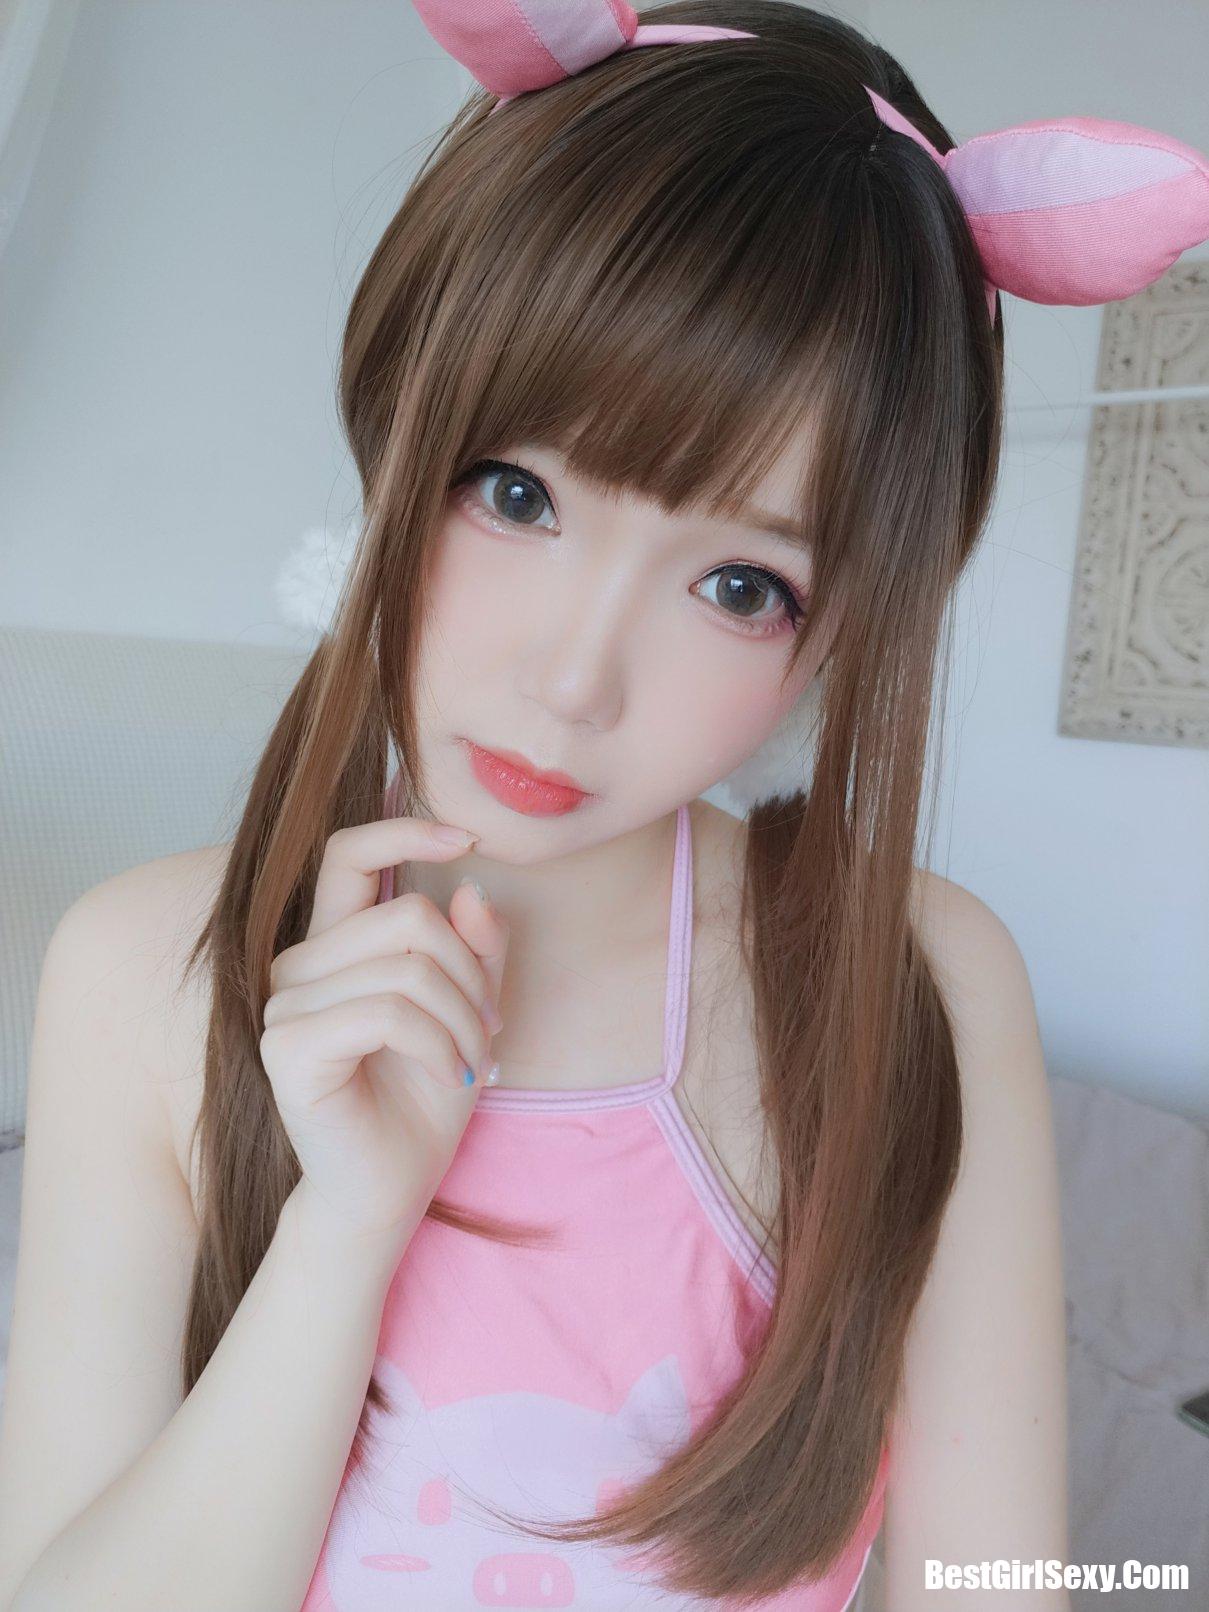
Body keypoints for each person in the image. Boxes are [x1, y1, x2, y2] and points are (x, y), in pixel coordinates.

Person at [2, 3, 1207, 1609]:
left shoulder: (914, 976)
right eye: (517, 493)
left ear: (846, 630)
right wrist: (344, 1228)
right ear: (394, 411)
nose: (574, 681)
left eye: (739, 585)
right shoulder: (140, 969)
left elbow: (993, 1583)